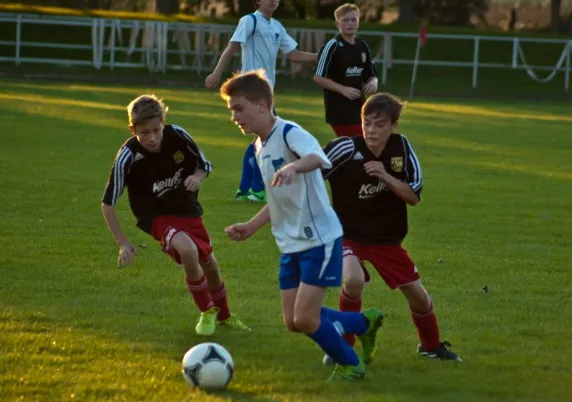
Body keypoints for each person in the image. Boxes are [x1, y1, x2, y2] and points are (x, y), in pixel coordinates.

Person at [219, 70, 384, 380]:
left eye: (238, 108)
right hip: (290, 244)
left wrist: (295, 166)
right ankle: (363, 323)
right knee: (294, 321)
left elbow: (317, 157)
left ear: (262, 104)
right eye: (231, 110)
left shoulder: (288, 132)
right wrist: (251, 226)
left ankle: (352, 366)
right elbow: (277, 198)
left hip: (319, 238)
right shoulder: (259, 146)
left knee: (306, 319)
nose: (234, 117)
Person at [321, 93, 461, 363]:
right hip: (347, 234)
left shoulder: (401, 148)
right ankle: (342, 350)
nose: (371, 130)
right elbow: (311, 175)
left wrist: (385, 176)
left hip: (386, 239)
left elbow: (414, 196)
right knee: (353, 280)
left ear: (394, 125)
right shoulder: (345, 148)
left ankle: (431, 347)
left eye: (380, 124)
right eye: (367, 123)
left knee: (418, 297)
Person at [101, 94, 250, 336]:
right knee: (188, 250)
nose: (152, 138)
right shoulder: (128, 156)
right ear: (132, 129)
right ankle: (206, 310)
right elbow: (108, 203)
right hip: (155, 217)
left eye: (156, 130)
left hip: (186, 208)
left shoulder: (177, 135)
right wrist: (123, 243)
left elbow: (204, 165)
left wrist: (197, 177)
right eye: (144, 133)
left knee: (210, 265)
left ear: (163, 122)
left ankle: (225, 316)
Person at [204, 0, 317, 203]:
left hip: (266, 92)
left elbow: (293, 55)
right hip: (251, 89)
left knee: (261, 139)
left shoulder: (277, 26)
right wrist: (216, 72)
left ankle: (245, 188)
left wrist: (321, 56)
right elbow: (232, 46)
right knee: (267, 138)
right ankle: (256, 189)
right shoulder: (250, 21)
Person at [313, 3, 377, 138]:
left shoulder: (362, 46)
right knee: (359, 143)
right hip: (339, 109)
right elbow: (318, 77)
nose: (350, 23)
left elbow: (371, 74)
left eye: (353, 19)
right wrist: (343, 89)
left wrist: (373, 82)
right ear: (337, 23)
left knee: (364, 144)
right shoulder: (332, 46)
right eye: (345, 20)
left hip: (360, 107)